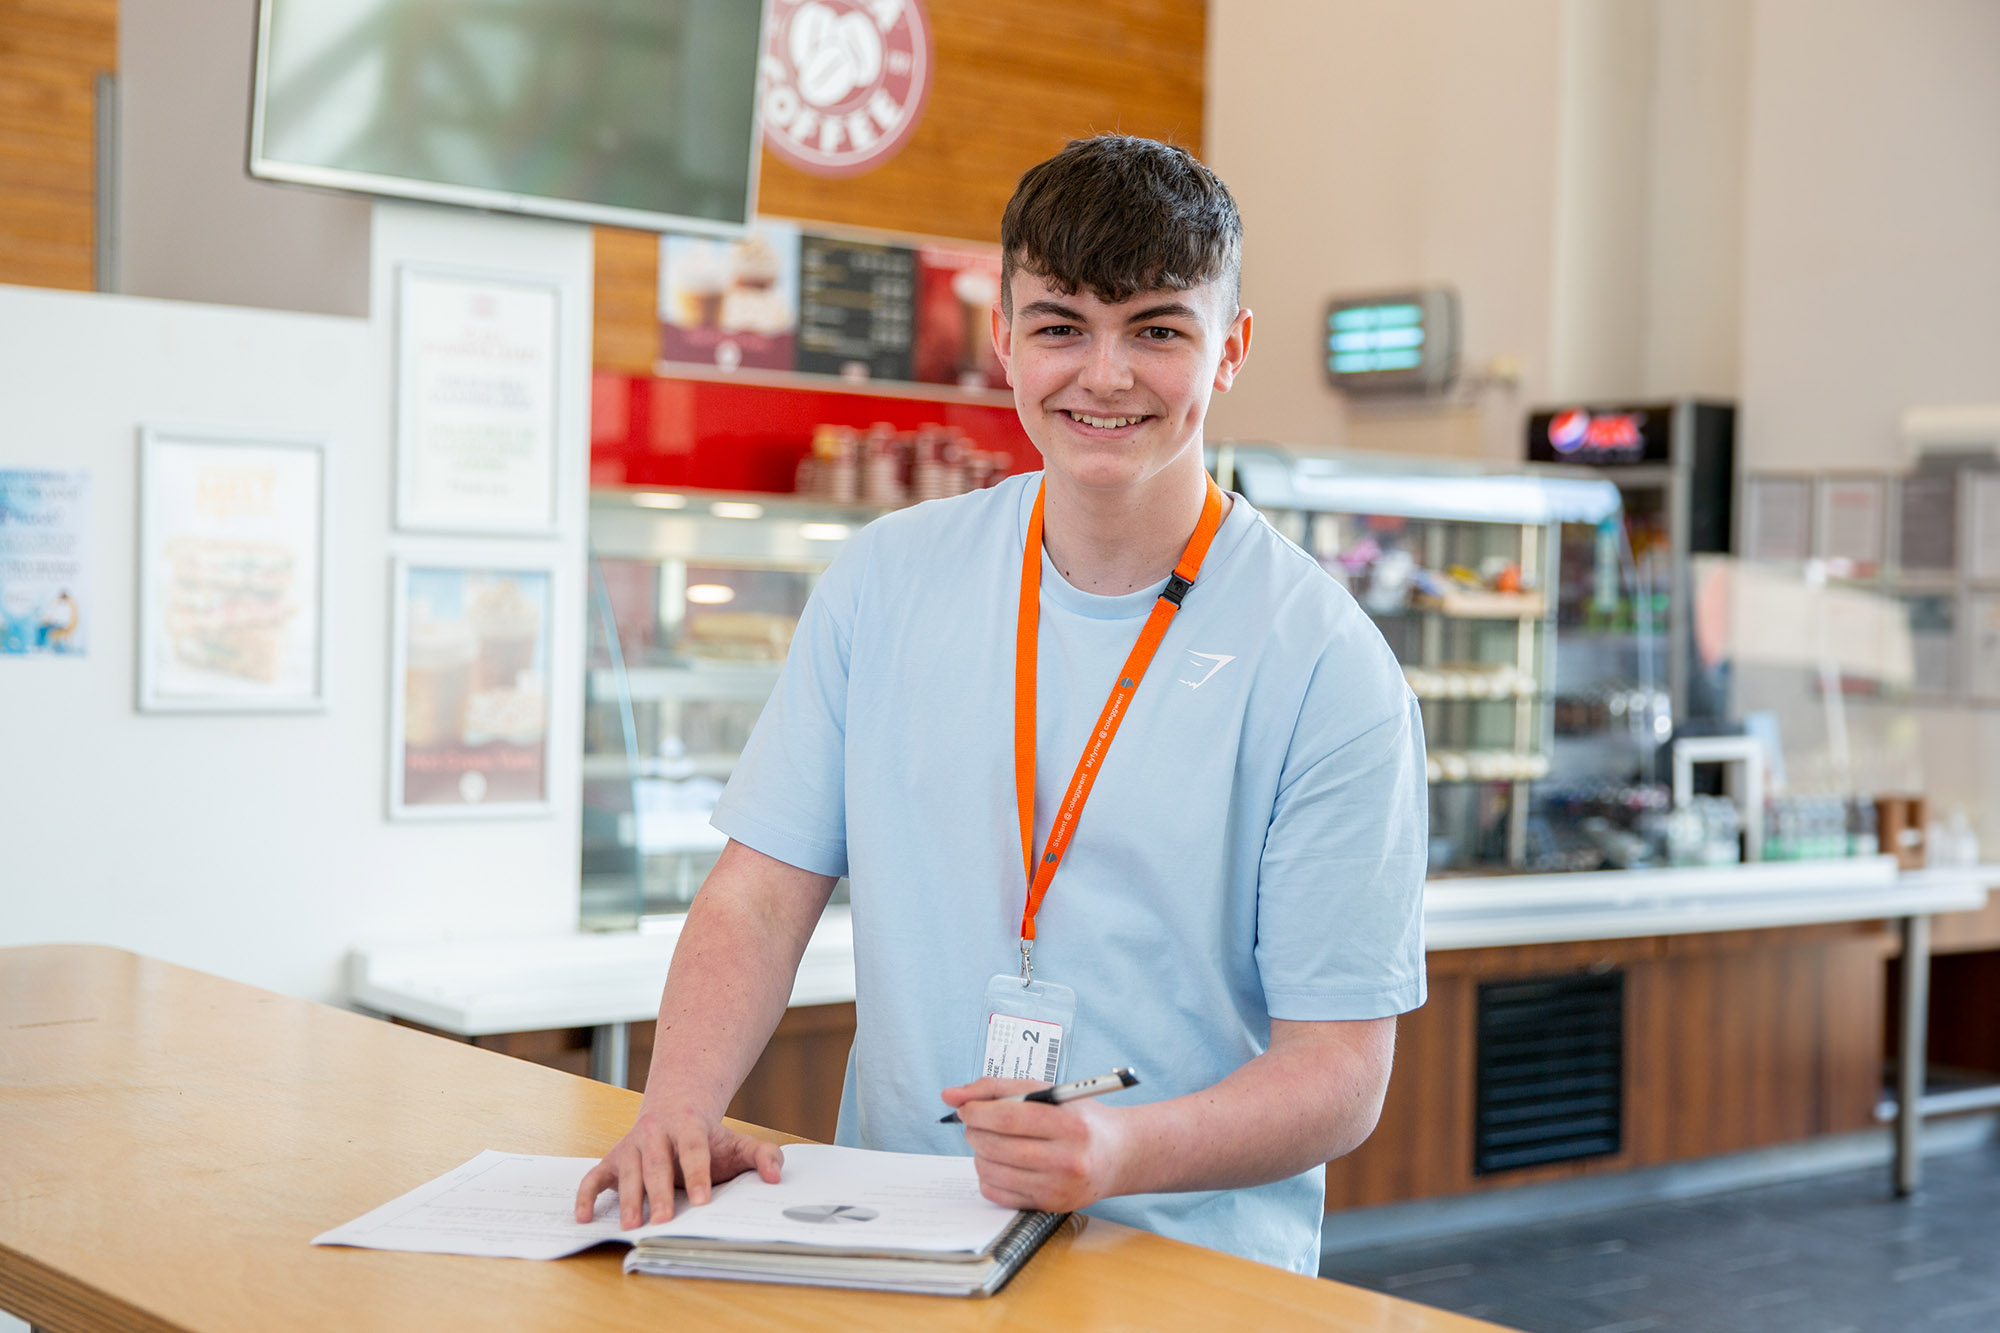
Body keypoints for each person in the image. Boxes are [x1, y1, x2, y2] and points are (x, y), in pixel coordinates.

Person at [574, 135, 1427, 1274]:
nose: (1105, 375)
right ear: (1003, 339)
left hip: (1185, 1276)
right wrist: (675, 1105)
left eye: (1158, 329)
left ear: (1230, 349)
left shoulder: (1326, 665)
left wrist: (1117, 1149)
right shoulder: (886, 581)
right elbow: (759, 898)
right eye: (1061, 324)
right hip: (888, 1245)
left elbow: (1339, 1073)